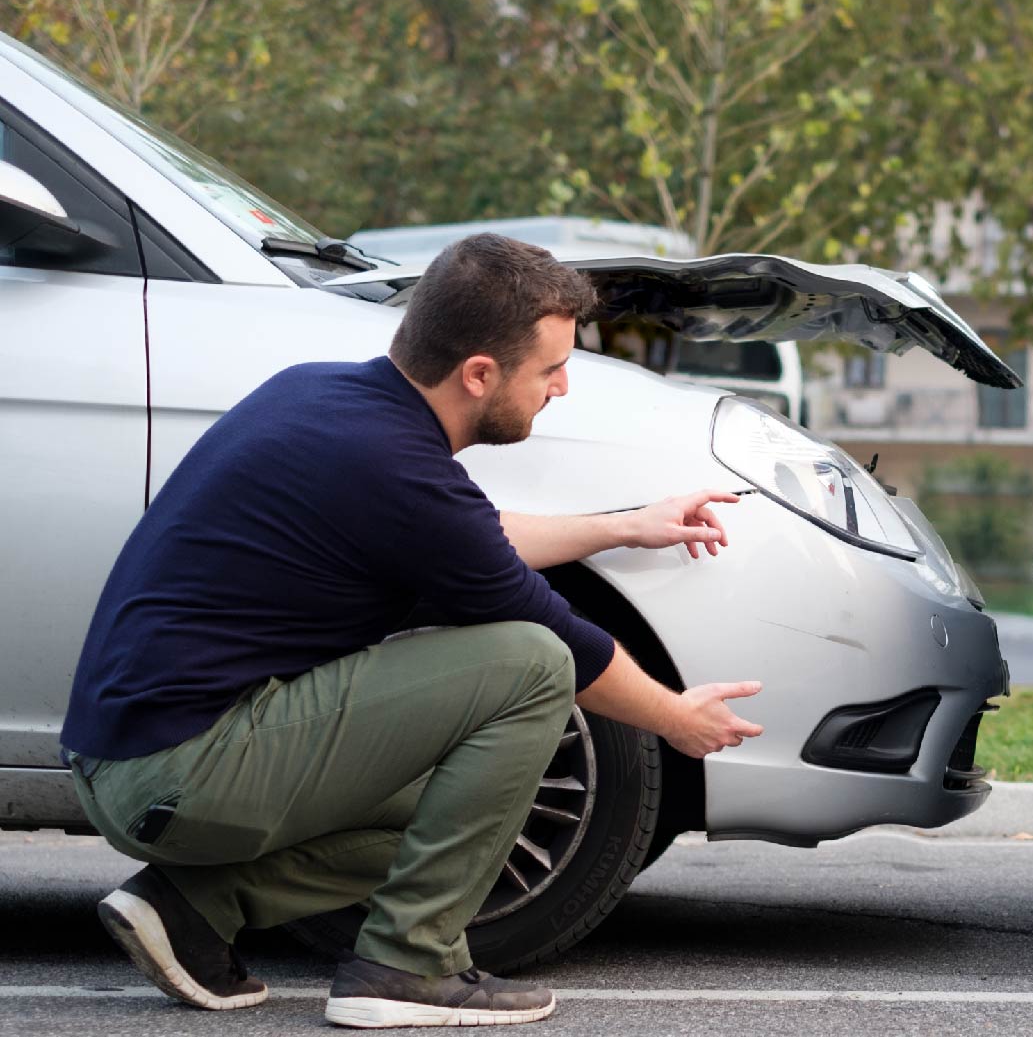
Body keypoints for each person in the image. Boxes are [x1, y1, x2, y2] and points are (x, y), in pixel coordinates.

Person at [61, 232, 763, 1029]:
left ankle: (192, 906)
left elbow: (472, 532)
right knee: (531, 660)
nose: (563, 387)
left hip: (136, 760)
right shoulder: (395, 470)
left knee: (471, 806)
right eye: (550, 369)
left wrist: (626, 525)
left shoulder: (324, 397)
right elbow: (561, 638)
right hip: (179, 771)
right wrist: (678, 719)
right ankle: (405, 966)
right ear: (478, 374)